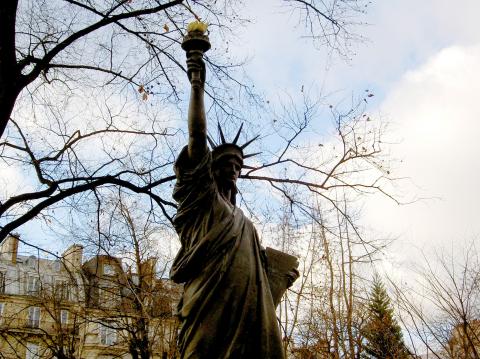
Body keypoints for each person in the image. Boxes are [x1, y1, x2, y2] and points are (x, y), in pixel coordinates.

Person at [170, 50, 286, 358]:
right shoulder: (203, 198)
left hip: (247, 314)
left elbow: (260, 279)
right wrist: (197, 84)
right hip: (208, 302)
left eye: (239, 166)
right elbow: (197, 137)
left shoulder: (244, 223)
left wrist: (278, 275)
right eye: (228, 163)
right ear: (210, 167)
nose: (234, 170)